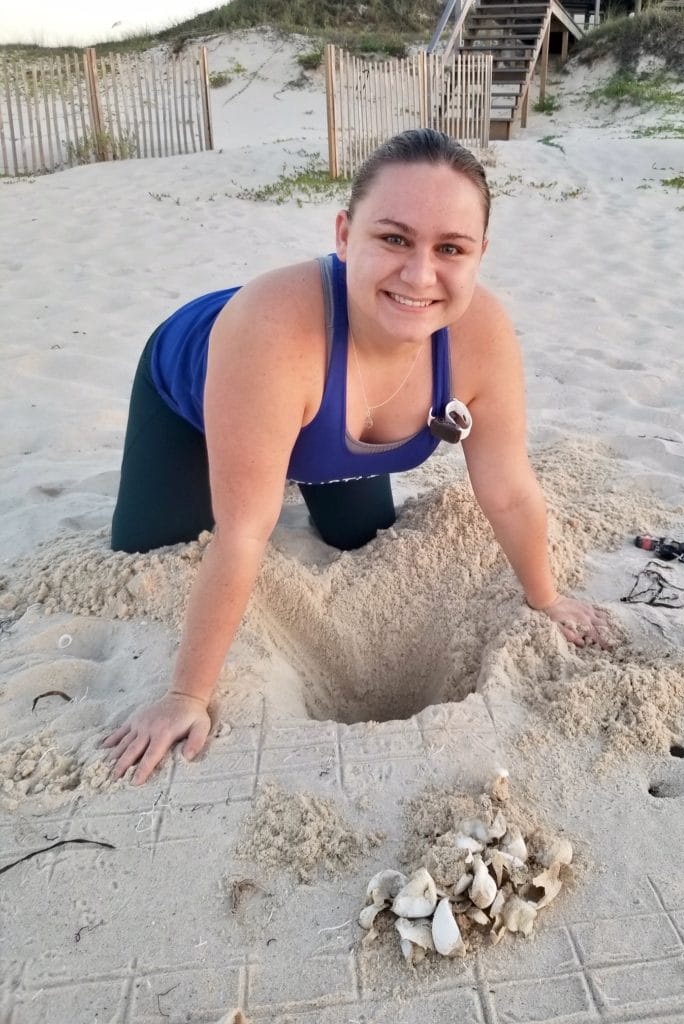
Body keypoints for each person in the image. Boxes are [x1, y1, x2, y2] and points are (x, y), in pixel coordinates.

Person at [103, 129, 608, 785]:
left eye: (449, 248)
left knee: (359, 535)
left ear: (480, 253)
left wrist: (547, 598)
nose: (420, 274)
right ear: (344, 235)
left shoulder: (482, 334)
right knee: (151, 545)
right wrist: (186, 697)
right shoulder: (270, 331)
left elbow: (508, 490)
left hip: (316, 405)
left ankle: (284, 448)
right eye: (393, 239)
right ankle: (265, 447)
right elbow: (243, 535)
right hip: (196, 392)